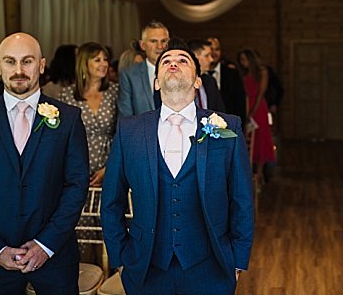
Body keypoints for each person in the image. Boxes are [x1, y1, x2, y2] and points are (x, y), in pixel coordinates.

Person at [101, 43, 253, 294]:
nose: (173, 63)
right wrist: (120, 258)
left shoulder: (228, 126)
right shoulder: (129, 130)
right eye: (165, 61)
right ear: (157, 83)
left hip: (211, 266)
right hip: (146, 267)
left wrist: (237, 260)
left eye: (183, 60)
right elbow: (111, 201)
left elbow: (242, 199)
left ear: (197, 82)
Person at [0, 32, 89, 294]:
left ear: (41, 65)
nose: (18, 70)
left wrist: (46, 244)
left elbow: (76, 186)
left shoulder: (69, 118)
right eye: (10, 62)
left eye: (27, 61)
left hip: (55, 257)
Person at [54, 42, 118, 187]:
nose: (104, 64)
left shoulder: (115, 92)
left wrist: (110, 168)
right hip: (75, 168)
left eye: (105, 59)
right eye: (97, 60)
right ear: (84, 63)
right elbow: (60, 136)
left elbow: (122, 132)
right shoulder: (66, 95)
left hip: (108, 167)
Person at [119, 22, 171, 117]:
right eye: (153, 41)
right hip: (141, 131)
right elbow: (126, 117)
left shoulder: (181, 71)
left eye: (164, 41)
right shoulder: (129, 75)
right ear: (142, 45)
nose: (160, 46)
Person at [238, 49, 276, 174]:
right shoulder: (243, 73)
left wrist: (253, 111)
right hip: (247, 103)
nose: (242, 63)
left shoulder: (262, 72)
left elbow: (261, 93)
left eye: (244, 60)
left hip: (258, 107)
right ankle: (249, 170)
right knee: (249, 137)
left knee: (261, 137)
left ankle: (259, 173)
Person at [206, 37, 247, 124]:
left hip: (229, 125)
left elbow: (240, 102)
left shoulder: (232, 73)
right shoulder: (199, 75)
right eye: (211, 49)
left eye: (217, 49)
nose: (214, 53)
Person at [186, 39, 226, 113]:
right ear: (194, 57)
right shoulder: (180, 83)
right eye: (207, 56)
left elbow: (220, 111)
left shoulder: (210, 81)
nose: (211, 60)